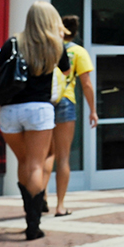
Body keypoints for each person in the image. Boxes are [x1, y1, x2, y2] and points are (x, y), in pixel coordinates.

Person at [0, 0, 71, 240]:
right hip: (39, 109)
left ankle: (29, 215)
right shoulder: (55, 45)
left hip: (10, 109)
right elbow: (66, 71)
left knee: (23, 161)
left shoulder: (14, 42)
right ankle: (33, 225)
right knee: (36, 165)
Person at [43, 15, 96, 217]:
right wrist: (93, 110)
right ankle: (60, 205)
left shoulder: (48, 48)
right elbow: (87, 84)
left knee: (46, 154)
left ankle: (42, 197)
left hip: (46, 101)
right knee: (63, 157)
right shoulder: (78, 52)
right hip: (66, 101)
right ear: (74, 32)